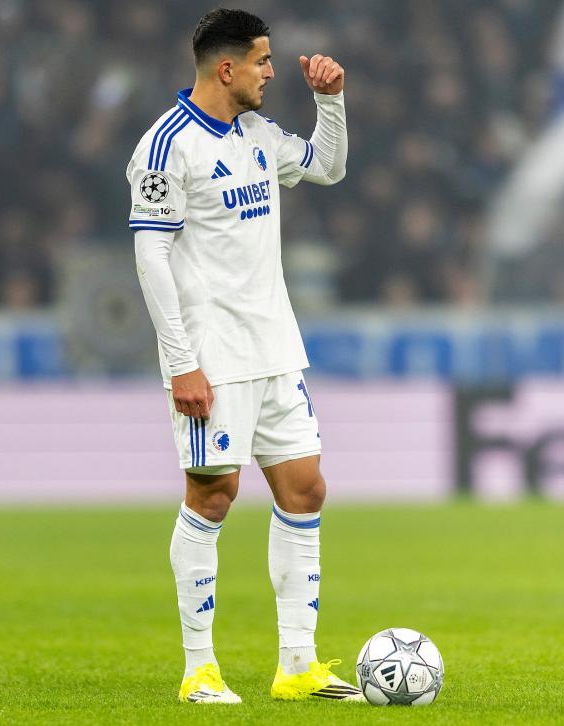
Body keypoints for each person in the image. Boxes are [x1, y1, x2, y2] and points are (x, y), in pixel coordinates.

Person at [126, 8, 359, 705]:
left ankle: (298, 666)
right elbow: (150, 257)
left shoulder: (257, 134)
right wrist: (180, 362)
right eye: (262, 60)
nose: (270, 72)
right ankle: (199, 669)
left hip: (276, 350)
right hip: (213, 358)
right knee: (213, 495)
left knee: (305, 490)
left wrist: (330, 101)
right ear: (225, 68)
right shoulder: (166, 147)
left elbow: (328, 167)